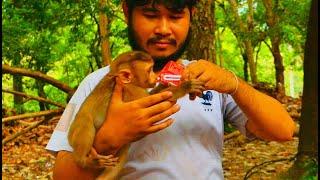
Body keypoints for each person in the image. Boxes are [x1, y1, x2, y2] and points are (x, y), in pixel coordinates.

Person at [46, 0, 296, 179]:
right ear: (127, 11)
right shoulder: (100, 82)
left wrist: (234, 84)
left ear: (191, 15)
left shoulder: (208, 78)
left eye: (175, 16)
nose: (163, 29)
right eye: (150, 14)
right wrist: (110, 138)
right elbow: (63, 175)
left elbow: (283, 130)